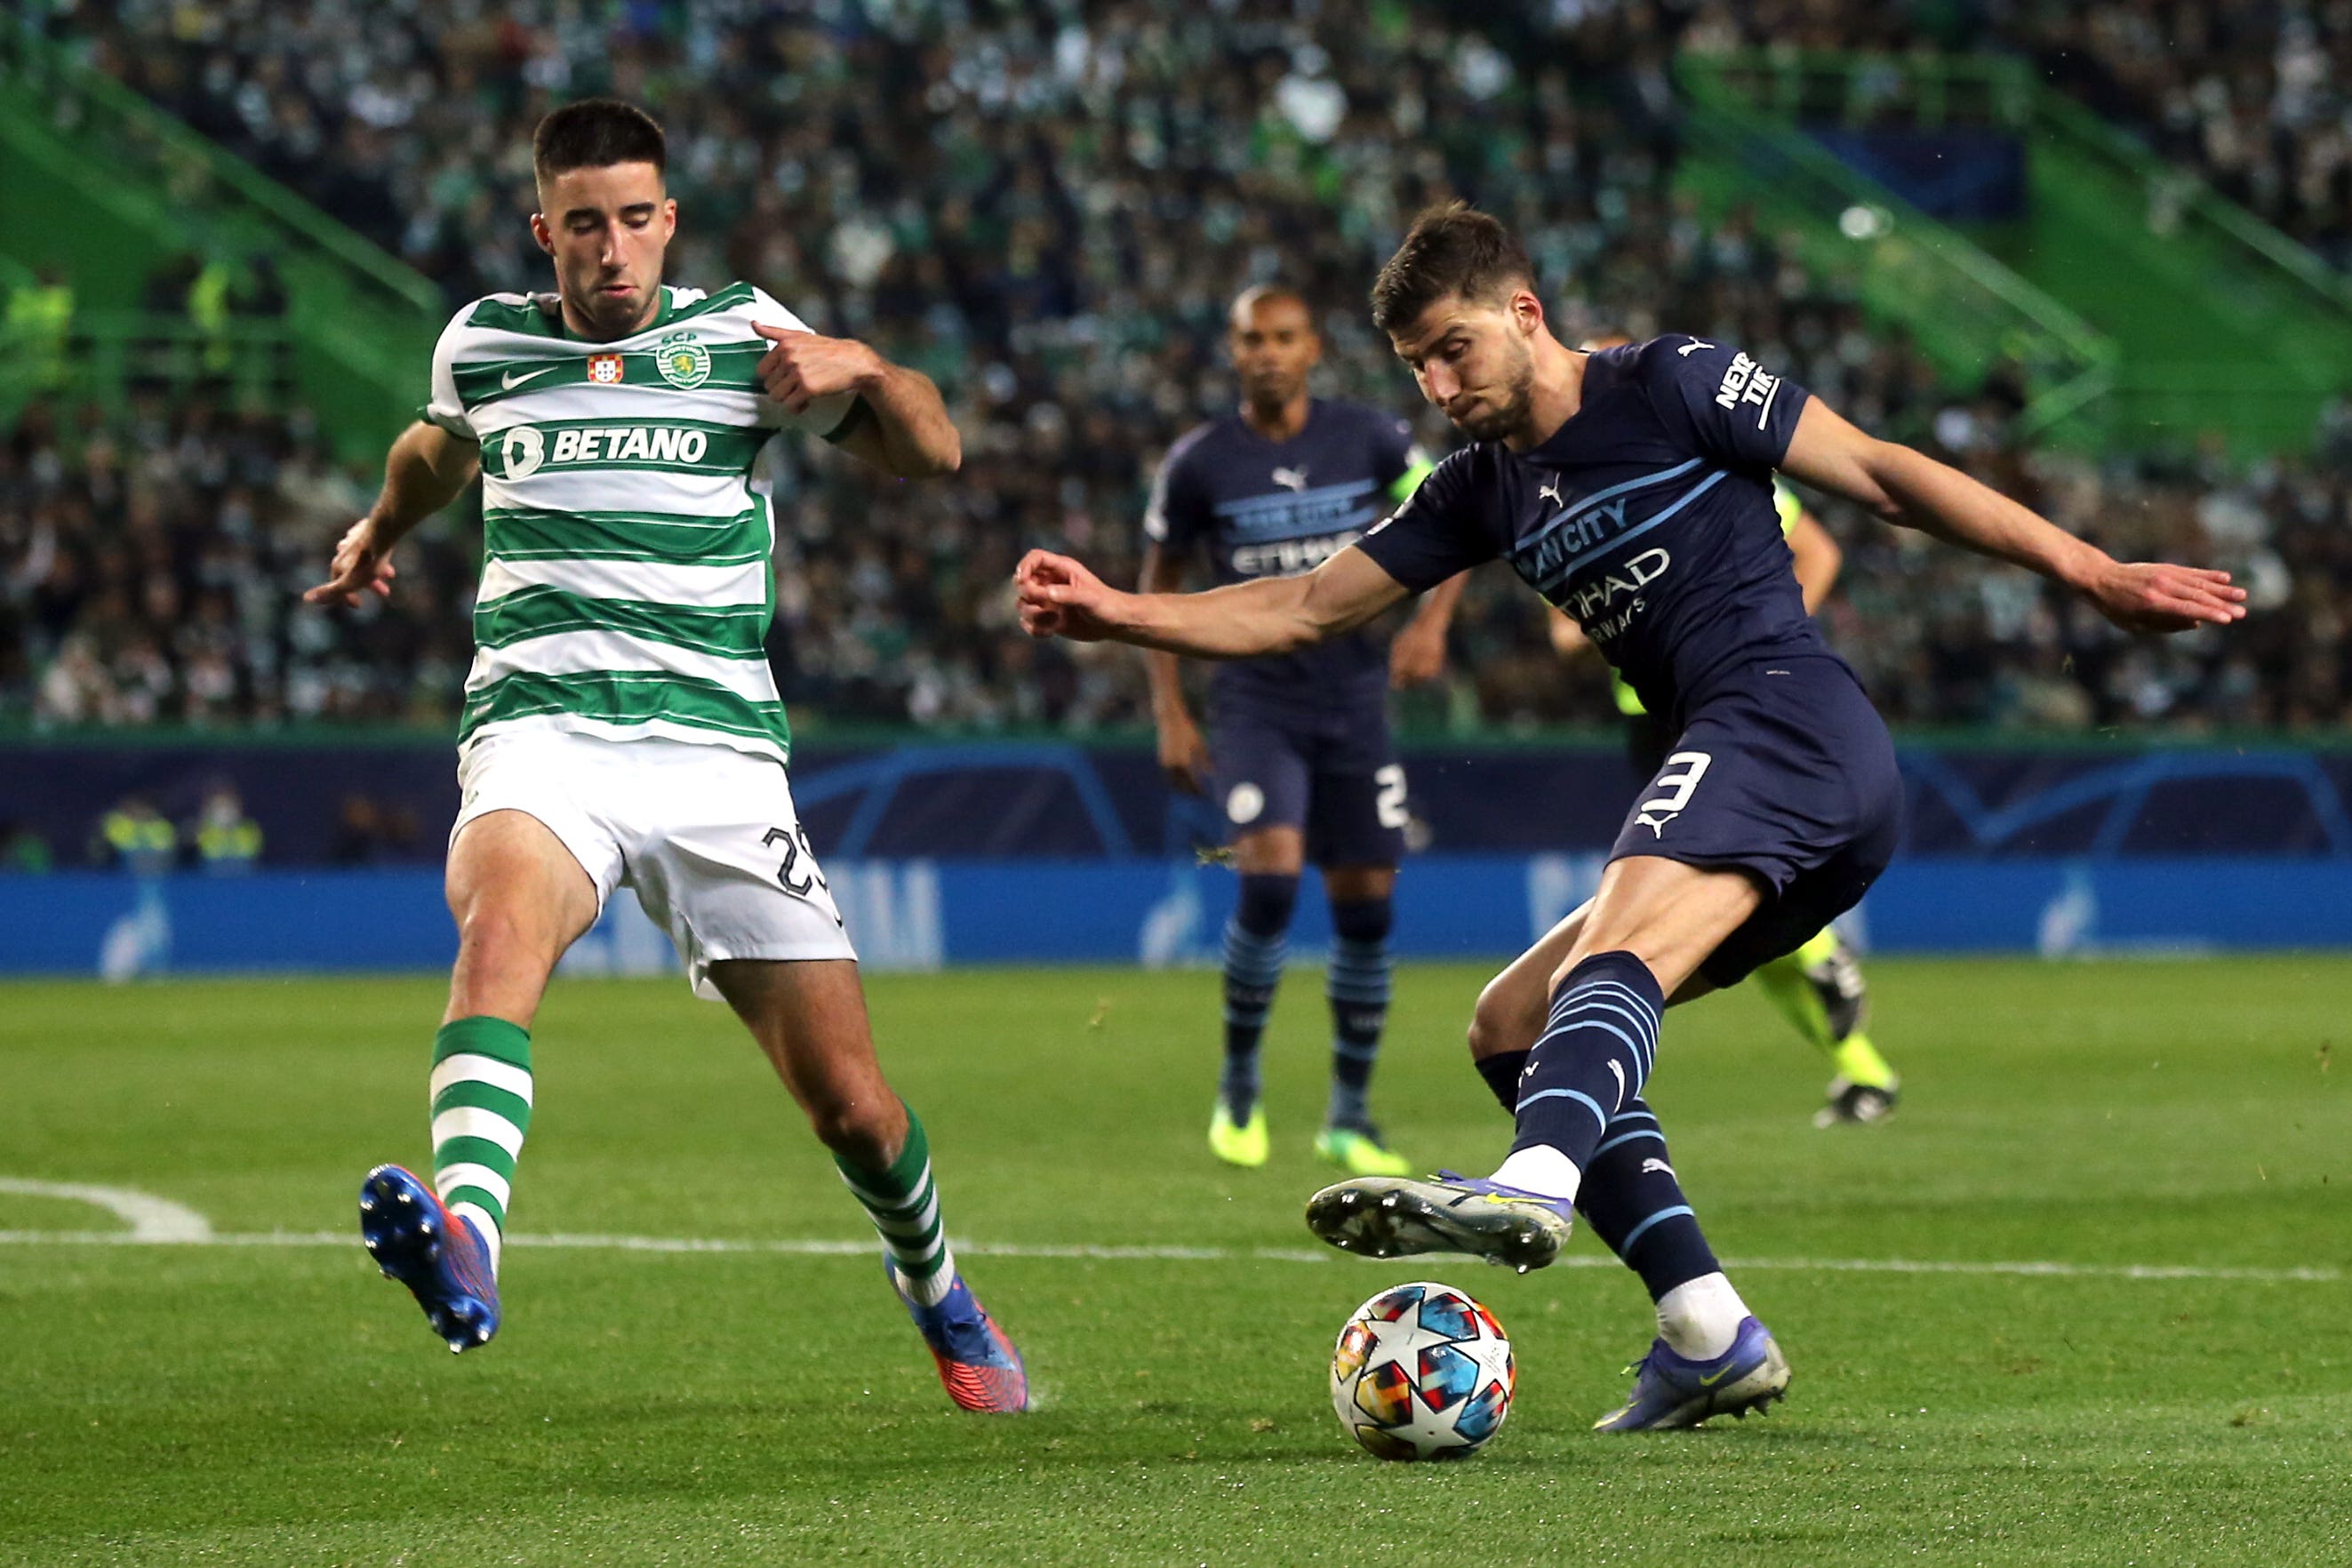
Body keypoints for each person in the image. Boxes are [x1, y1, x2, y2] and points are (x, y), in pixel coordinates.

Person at [1014, 202, 2242, 1429]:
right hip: (1759, 771)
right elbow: (1303, 607)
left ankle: (1532, 1183)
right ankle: (1705, 1331)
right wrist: (1117, 613)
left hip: (1786, 719)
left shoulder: (1674, 380)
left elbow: (1877, 473)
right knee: (1510, 1027)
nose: (1440, 386)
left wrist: (2091, 572)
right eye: (1416, 369)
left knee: (1607, 957)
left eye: (1453, 349)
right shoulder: (1478, 491)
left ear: (1522, 313)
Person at [307, 100, 1026, 1412]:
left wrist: (859, 364)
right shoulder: (486, 343)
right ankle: (469, 1236)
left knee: (854, 1111)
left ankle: (935, 1287)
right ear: (546, 231)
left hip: (715, 762)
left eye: (635, 220)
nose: (613, 250)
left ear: (668, 221)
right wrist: (379, 527)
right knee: (498, 934)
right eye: (584, 225)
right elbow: (437, 446)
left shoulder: (747, 336)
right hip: (542, 734)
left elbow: (935, 452)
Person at [1142, 284, 1457, 1177]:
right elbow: (1157, 583)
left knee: (1368, 907)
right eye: (1252, 340)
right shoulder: (1200, 463)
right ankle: (1240, 1087)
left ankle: (1349, 1116)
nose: (1268, 353)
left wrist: (1431, 624)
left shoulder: (1369, 438)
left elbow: (1459, 512)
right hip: (1254, 703)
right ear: (1232, 351)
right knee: (1272, 878)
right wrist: (1169, 708)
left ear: (1313, 346)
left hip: (1355, 702)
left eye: (1283, 337)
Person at [1548, 331, 1901, 1127]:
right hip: (1652, 711)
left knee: (1694, 889)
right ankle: (1860, 1062)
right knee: (1718, 896)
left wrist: (1754, 635)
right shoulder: (1568, 493)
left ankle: (1820, 959)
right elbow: (1563, 624)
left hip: (1733, 699)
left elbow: (1818, 551)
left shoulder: (1703, 462)